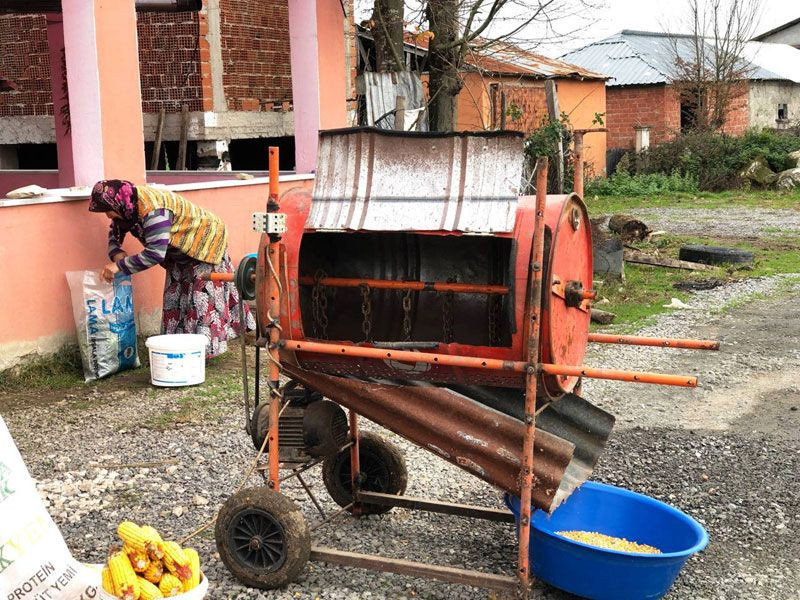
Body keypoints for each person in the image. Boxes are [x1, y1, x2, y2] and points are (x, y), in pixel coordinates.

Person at [89, 179, 254, 358]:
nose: (107, 215)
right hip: (176, 249)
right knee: (174, 295)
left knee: (201, 296)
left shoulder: (154, 211)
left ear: (118, 201)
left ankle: (200, 352)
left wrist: (119, 266)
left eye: (108, 210)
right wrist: (116, 253)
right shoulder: (126, 208)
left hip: (204, 241)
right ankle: (177, 346)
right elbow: (114, 232)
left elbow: (154, 254)